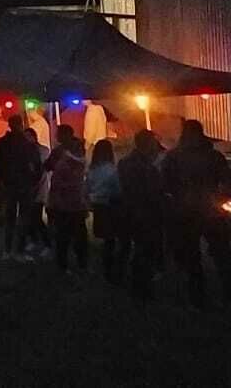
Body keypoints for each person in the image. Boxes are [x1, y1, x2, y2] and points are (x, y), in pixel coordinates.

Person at [161, 119, 231, 309]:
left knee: (192, 256)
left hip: (186, 211)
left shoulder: (174, 156)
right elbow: (227, 181)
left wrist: (175, 199)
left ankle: (197, 296)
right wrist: (220, 198)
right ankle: (226, 292)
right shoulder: (213, 155)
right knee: (222, 254)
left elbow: (164, 183)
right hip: (211, 210)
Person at [118, 129, 166, 302]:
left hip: (131, 212)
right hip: (146, 214)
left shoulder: (125, 163)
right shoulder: (145, 167)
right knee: (145, 251)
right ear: (147, 144)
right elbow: (154, 192)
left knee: (139, 249)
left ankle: (136, 284)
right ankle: (142, 289)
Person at [0, 114, 40, 261]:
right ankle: (20, 250)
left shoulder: (1, 143)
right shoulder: (27, 143)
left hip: (8, 185)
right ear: (22, 124)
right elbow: (37, 165)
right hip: (24, 185)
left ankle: (7, 249)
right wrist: (34, 182)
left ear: (9, 125)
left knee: (10, 218)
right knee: (23, 219)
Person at [44, 124, 89, 273]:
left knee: (65, 234)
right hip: (74, 197)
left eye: (58, 134)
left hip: (65, 198)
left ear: (64, 135)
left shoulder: (63, 151)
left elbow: (47, 166)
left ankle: (65, 264)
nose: (56, 137)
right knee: (78, 233)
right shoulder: (78, 148)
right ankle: (81, 263)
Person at [87, 138, 125, 285]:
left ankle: (106, 269)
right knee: (114, 238)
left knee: (107, 239)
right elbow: (118, 189)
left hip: (98, 206)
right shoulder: (112, 170)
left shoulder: (92, 170)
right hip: (111, 205)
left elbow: (87, 188)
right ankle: (113, 270)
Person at [23, 127, 53, 255]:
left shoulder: (43, 150)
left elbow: (42, 169)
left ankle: (47, 243)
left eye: (29, 137)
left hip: (39, 188)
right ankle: (34, 240)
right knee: (29, 216)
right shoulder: (24, 151)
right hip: (28, 188)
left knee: (36, 216)